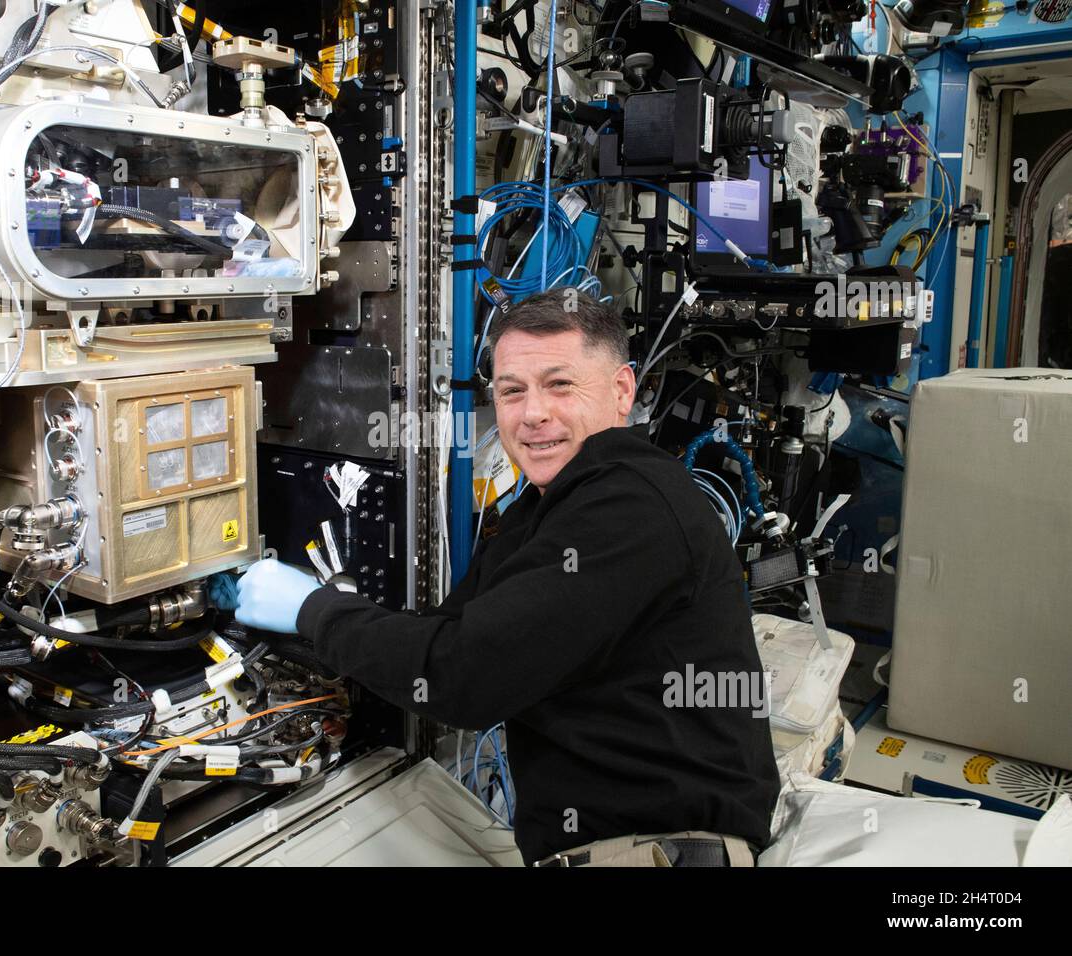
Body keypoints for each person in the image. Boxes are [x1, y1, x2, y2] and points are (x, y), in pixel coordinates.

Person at [230, 290, 779, 867]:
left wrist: (312, 611)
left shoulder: (630, 504)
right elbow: (445, 637)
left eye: (560, 385)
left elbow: (464, 675)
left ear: (622, 390)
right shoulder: (543, 510)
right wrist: (328, 618)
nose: (533, 413)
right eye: (512, 391)